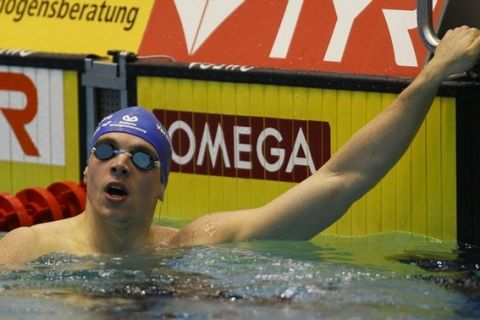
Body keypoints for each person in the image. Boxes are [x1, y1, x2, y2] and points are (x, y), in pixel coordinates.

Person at [1, 27, 479, 266]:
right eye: (106, 151)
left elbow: (339, 181)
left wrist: (433, 74)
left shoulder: (192, 245)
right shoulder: (29, 247)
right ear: (87, 171)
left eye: (142, 158)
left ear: (162, 186)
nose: (121, 164)